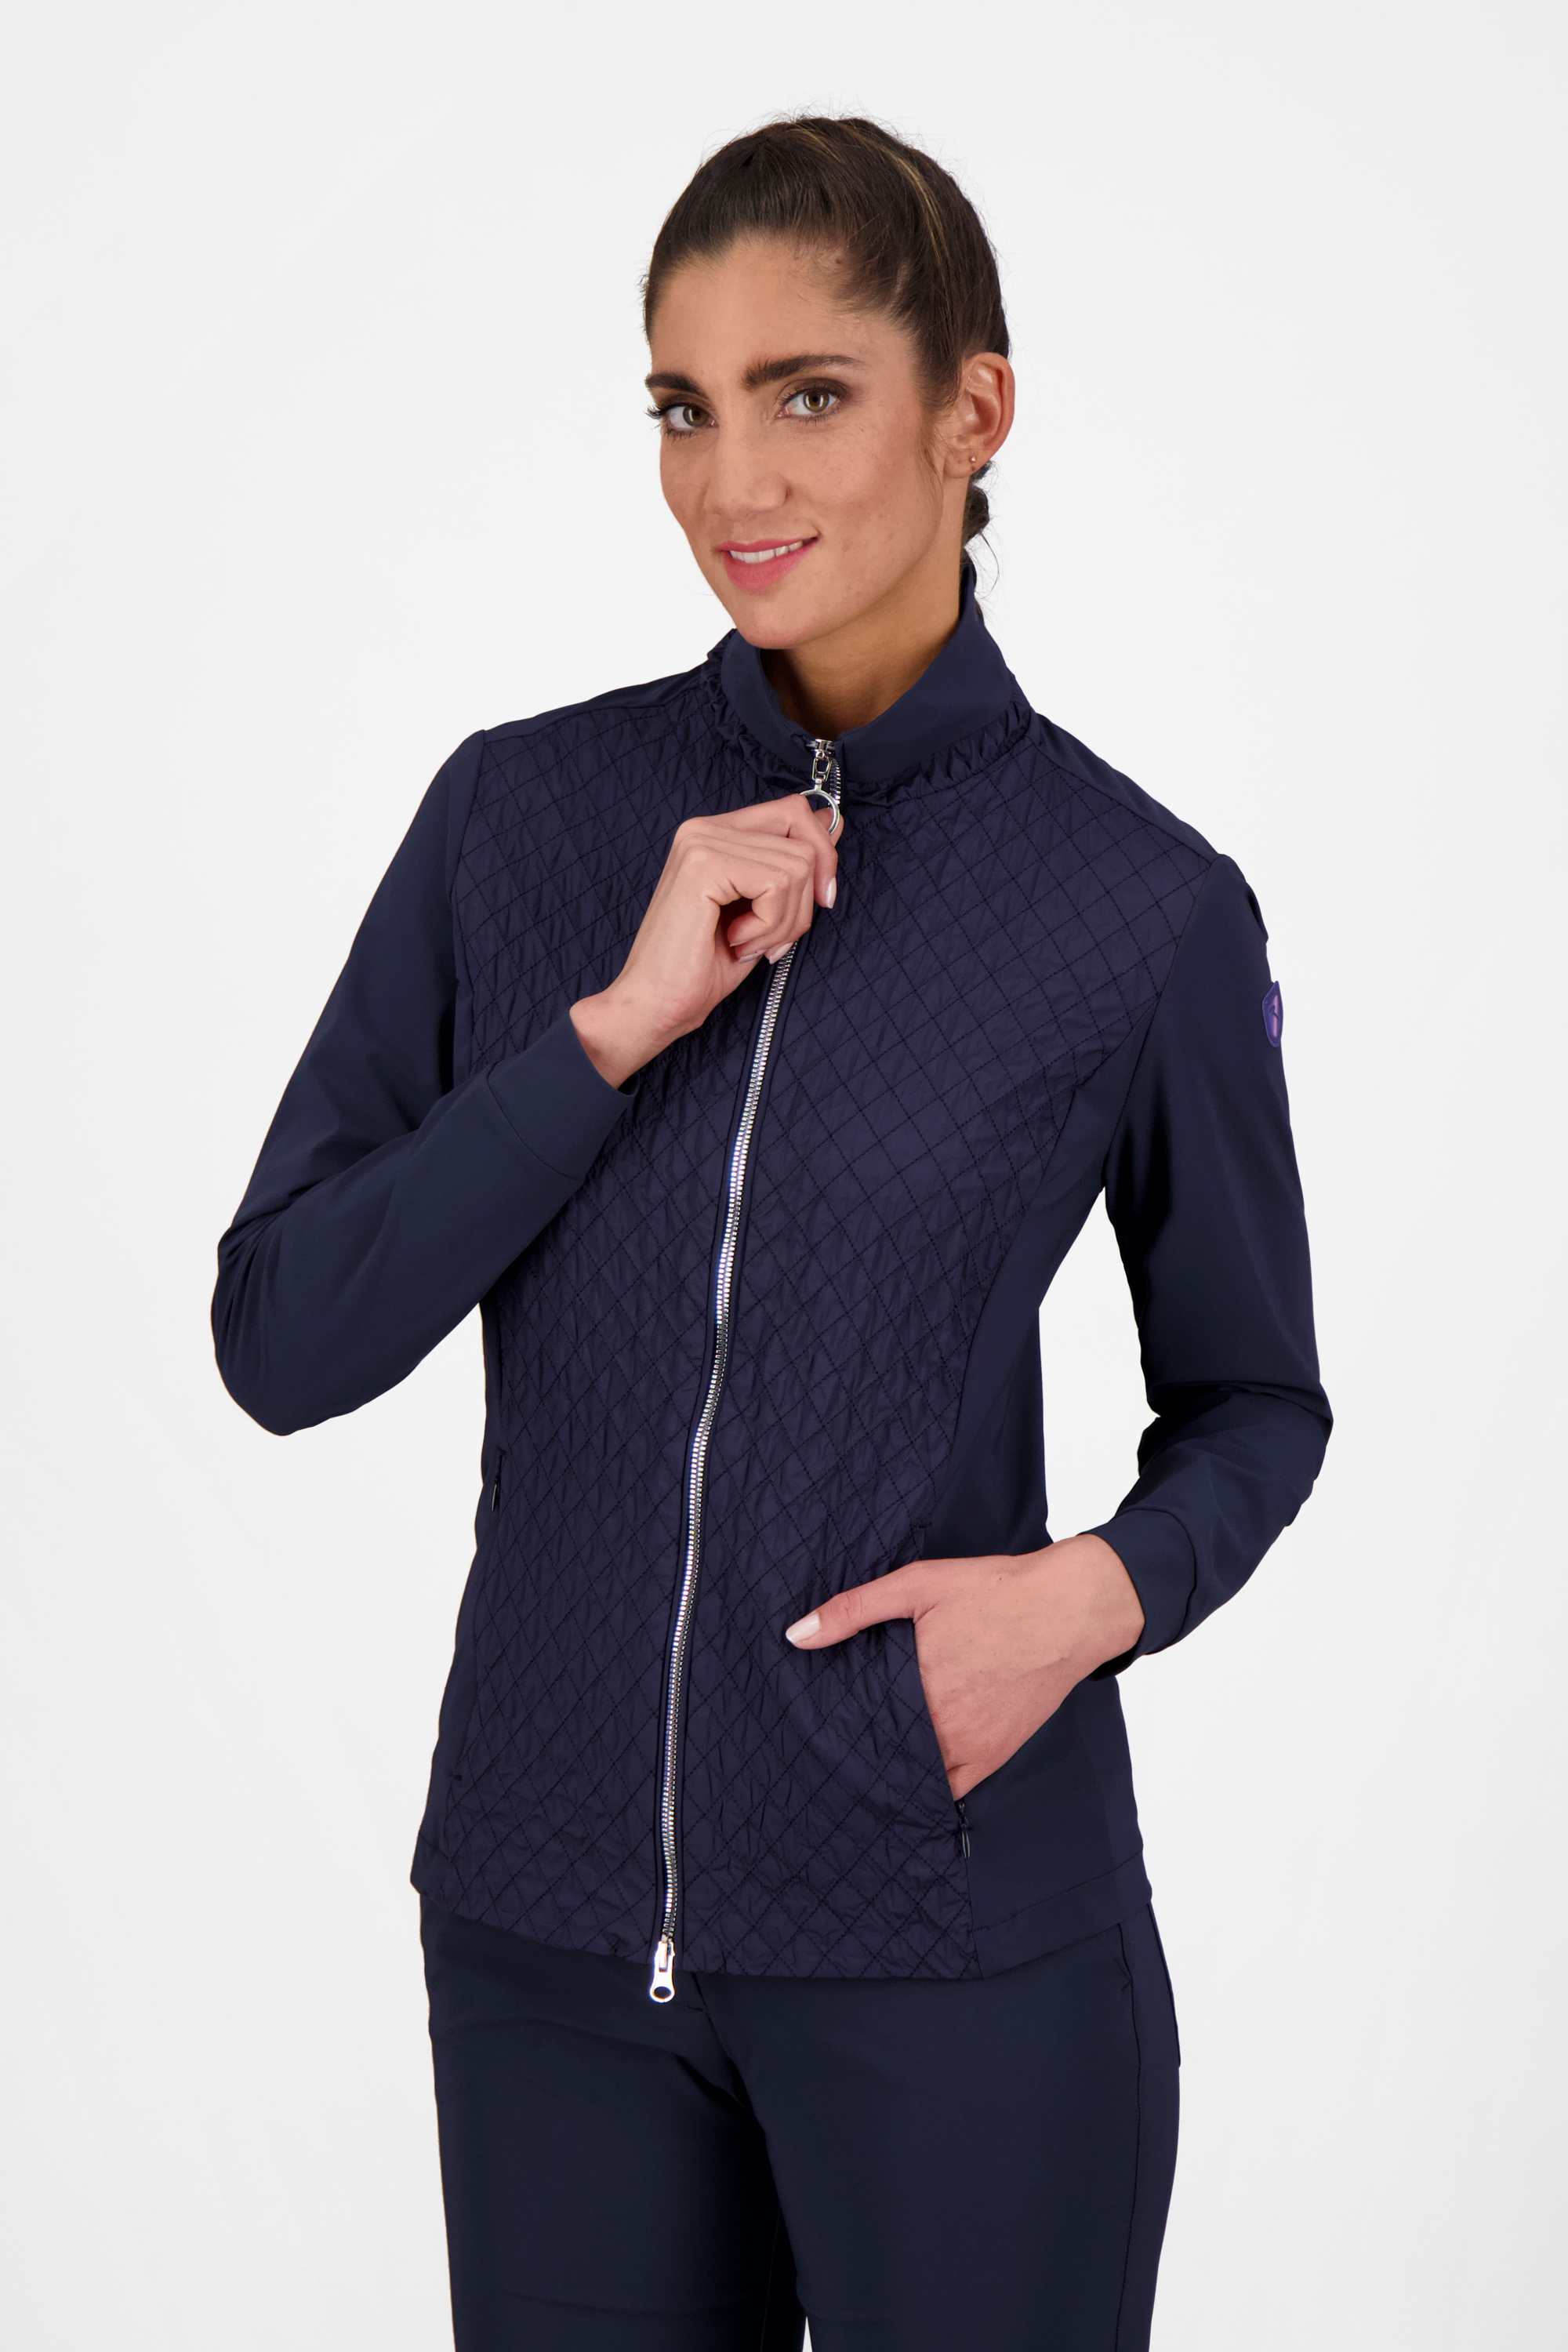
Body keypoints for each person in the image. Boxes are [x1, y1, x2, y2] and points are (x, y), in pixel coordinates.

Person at [214, 114, 1329, 2352]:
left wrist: (1089, 1601)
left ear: (972, 410)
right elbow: (286, 1332)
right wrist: (607, 1034)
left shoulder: (1137, 907)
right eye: (683, 403)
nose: (734, 479)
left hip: (949, 1935)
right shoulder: (520, 816)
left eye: (808, 392)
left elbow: (1256, 1402)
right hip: (545, 1946)